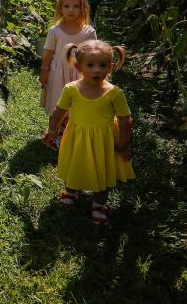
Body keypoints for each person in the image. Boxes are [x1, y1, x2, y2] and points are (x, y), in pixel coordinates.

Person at [41, 40, 133, 225]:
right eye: (90, 65)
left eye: (103, 65)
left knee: (103, 171)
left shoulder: (115, 93)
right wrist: (52, 130)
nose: (97, 70)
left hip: (104, 140)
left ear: (111, 66)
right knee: (74, 163)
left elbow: (125, 120)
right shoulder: (71, 89)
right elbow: (59, 110)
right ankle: (71, 192)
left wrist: (122, 145)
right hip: (77, 136)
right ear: (78, 66)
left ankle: (99, 204)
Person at [40, 0, 97, 117]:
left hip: (80, 73)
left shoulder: (88, 32)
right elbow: (48, 53)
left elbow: (94, 54)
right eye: (67, 6)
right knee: (57, 102)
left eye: (76, 6)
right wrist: (44, 70)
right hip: (58, 74)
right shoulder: (55, 31)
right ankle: (54, 132)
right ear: (60, 7)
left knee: (78, 103)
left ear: (83, 7)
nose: (71, 10)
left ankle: (72, 131)